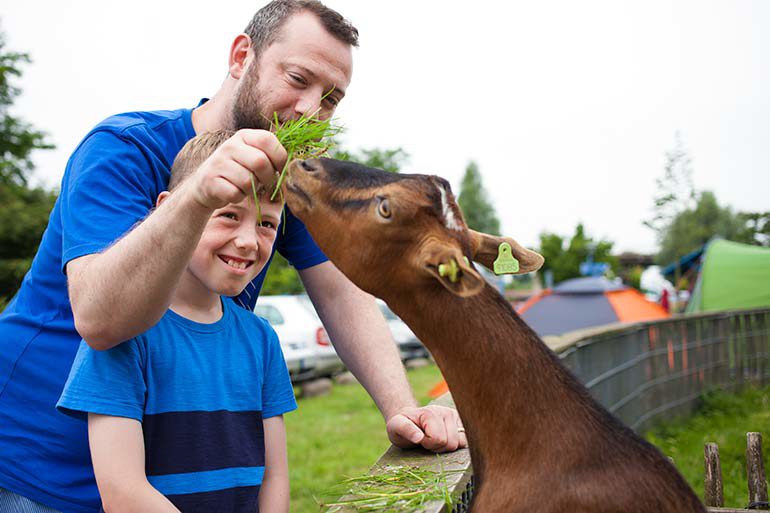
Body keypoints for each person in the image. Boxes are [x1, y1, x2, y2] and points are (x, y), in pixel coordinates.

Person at [0, 2, 466, 513]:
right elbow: (99, 319)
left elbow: (339, 291)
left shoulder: (288, 179)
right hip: (42, 469)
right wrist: (198, 194)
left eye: (331, 99)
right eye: (298, 78)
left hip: (172, 482)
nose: (311, 110)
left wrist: (401, 408)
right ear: (242, 56)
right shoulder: (124, 149)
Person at [57, 130, 294, 513]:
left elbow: (274, 476)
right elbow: (122, 492)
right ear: (170, 209)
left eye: (266, 224)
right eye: (229, 215)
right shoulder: (124, 335)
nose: (250, 241)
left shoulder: (261, 338)